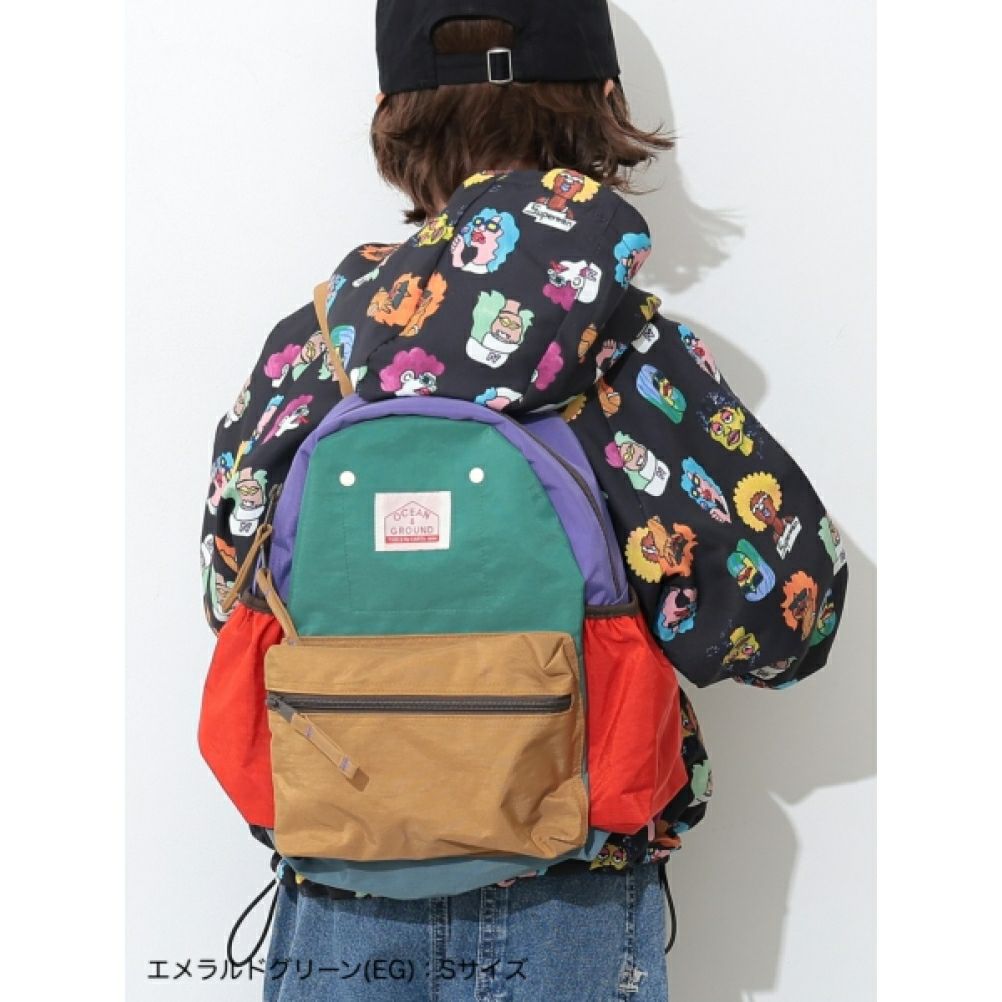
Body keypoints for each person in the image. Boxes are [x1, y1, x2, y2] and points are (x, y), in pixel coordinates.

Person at [199, 3, 849, 999]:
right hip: (566, 898)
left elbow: (228, 595)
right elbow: (781, 624)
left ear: (390, 111)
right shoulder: (629, 352)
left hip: (340, 885)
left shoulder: (309, 350)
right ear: (603, 100)